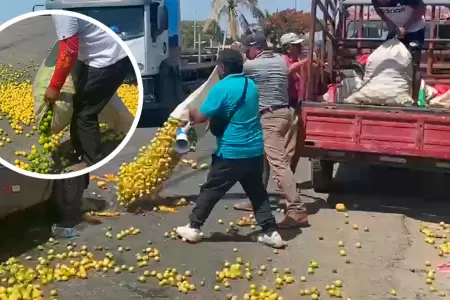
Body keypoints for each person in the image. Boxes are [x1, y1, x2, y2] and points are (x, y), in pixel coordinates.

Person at [175, 49, 286, 248]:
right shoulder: (250, 85)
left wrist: (186, 112)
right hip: (254, 151)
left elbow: (201, 116)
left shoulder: (221, 87)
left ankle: (193, 227)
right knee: (257, 192)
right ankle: (271, 232)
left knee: (212, 189)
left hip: (231, 151)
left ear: (223, 68)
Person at [233, 32, 308, 229]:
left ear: (255, 49)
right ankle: (257, 200)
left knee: (279, 164)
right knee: (263, 161)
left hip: (270, 118)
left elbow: (231, 73)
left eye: (248, 50)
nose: (247, 54)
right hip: (286, 114)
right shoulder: (281, 61)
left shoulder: (251, 66)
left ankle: (297, 210)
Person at [46, 15, 133, 171]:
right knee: (79, 104)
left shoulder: (63, 12)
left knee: (85, 113)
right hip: (104, 56)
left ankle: (93, 161)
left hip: (108, 62)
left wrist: (54, 87)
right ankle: (78, 150)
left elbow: (69, 50)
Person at [372, 0, 426, 98]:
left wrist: (406, 27)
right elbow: (378, 9)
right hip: (395, 29)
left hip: (414, 29)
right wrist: (387, 20)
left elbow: (422, 9)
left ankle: (414, 99)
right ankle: (391, 95)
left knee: (414, 64)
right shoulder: (375, 1)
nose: (384, 3)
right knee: (388, 60)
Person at [279, 32, 308, 173]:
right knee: (290, 144)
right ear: (288, 48)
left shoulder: (296, 61)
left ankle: (289, 175)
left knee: (298, 145)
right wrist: (304, 62)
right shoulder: (283, 61)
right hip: (288, 106)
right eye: (297, 45)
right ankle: (284, 179)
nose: (300, 47)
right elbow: (288, 71)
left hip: (297, 105)